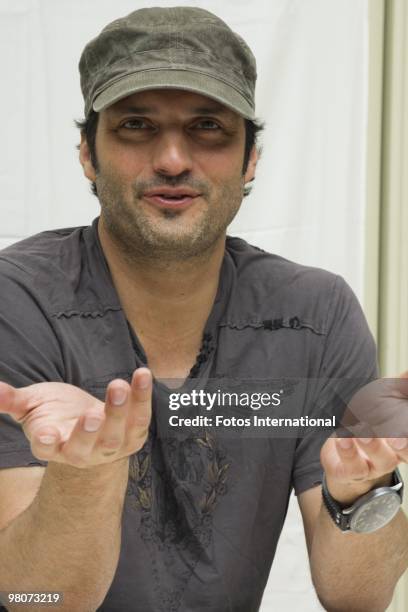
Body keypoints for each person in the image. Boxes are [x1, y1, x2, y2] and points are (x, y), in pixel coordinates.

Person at [0, 6, 407, 612]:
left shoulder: (313, 315)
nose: (171, 160)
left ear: (249, 161)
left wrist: (365, 491)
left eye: (208, 127)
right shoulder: (19, 300)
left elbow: (358, 598)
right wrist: (87, 470)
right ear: (88, 153)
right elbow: (34, 598)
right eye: (136, 124)